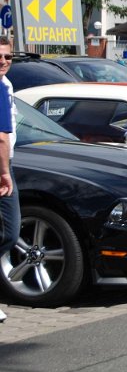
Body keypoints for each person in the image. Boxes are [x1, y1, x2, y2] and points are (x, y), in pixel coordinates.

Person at [0, 36, 18, 322]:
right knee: (9, 232)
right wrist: (4, 173)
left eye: (7, 57)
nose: (3, 62)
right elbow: (1, 137)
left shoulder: (7, 84)